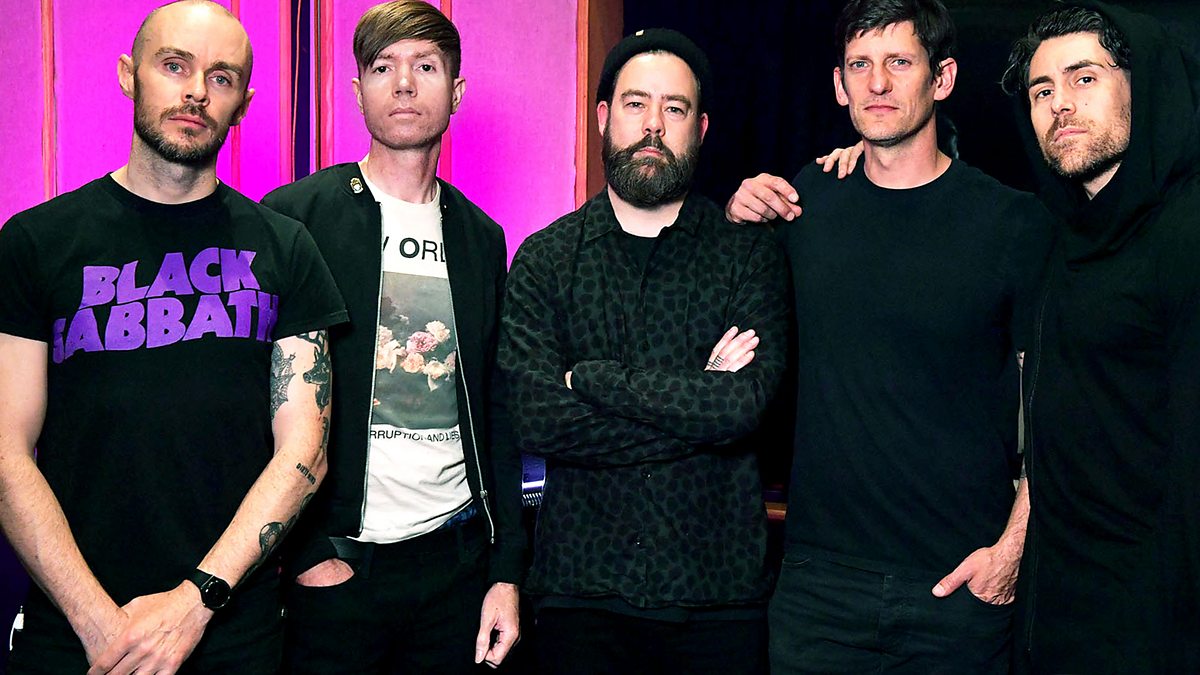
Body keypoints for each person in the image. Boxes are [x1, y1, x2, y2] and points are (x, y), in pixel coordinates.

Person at [0, 2, 347, 673]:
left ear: (243, 104)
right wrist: (101, 625)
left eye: (221, 78)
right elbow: (6, 452)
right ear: (129, 75)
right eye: (174, 66)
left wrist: (192, 606)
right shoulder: (35, 243)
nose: (196, 92)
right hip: (74, 637)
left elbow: (303, 453)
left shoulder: (286, 249)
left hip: (230, 633)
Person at [726, 0, 1054, 672]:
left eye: (899, 62)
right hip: (818, 590)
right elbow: (726, 320)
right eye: (860, 65)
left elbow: (1061, 400)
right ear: (839, 84)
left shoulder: (1013, 224)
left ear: (943, 78)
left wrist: (1012, 552)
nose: (877, 82)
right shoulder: (806, 203)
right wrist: (736, 215)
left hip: (958, 589)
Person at [498, 28, 789, 675]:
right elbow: (538, 419)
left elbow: (742, 409)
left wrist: (594, 381)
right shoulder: (545, 259)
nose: (653, 124)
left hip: (719, 601)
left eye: (674, 108)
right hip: (579, 597)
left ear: (701, 128)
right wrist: (698, 404)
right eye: (636, 104)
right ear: (604, 117)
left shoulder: (748, 253)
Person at [261, 2, 524, 671]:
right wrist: (308, 550)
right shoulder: (296, 218)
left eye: (425, 66)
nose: (404, 83)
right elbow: (254, 397)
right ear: (357, 92)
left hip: (456, 565)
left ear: (456, 91)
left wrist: (504, 569)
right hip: (338, 567)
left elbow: (497, 406)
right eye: (383, 67)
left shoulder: (481, 236)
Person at [1002, 3, 1200, 671]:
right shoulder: (1053, 239)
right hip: (1056, 616)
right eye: (1042, 89)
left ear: (1139, 84)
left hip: (1156, 629)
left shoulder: (1187, 232)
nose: (1061, 103)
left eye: (1084, 77)